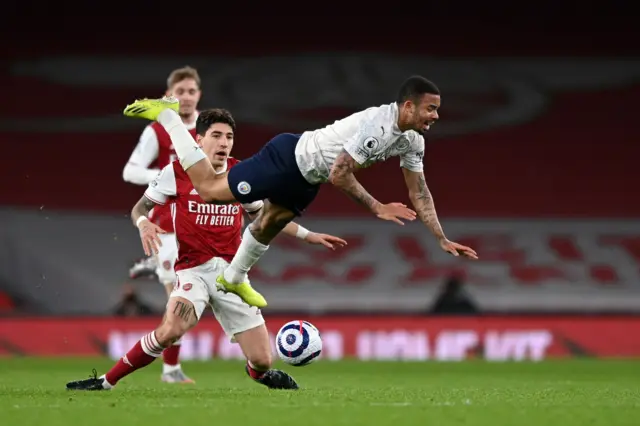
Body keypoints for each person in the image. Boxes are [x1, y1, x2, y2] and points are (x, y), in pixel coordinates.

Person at [123, 75, 478, 309]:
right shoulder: (379, 127)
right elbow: (341, 174)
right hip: (288, 157)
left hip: (309, 177)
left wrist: (441, 238)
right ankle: (168, 117)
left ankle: (232, 279)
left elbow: (421, 193)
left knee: (268, 223)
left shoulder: (412, 141)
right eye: (431, 108)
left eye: (438, 110)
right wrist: (377, 207)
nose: (435, 116)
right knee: (211, 190)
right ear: (408, 106)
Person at [66, 109, 346, 392]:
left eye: (229, 137)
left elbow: (263, 218)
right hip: (193, 271)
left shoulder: (242, 174)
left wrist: (308, 235)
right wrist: (143, 224)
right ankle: (105, 382)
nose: (224, 143)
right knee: (171, 330)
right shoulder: (175, 173)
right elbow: (140, 208)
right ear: (198, 140)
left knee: (263, 360)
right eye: (216, 136)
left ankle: (258, 374)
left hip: (232, 277)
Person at [123, 66, 202, 382]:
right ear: (169, 95)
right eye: (180, 92)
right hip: (166, 226)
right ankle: (171, 368)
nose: (185, 97)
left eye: (191, 92)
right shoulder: (157, 130)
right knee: (178, 296)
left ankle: (149, 265)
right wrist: (165, 177)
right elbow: (130, 171)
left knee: (194, 294)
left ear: (199, 95)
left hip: (199, 222)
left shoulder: (209, 127)